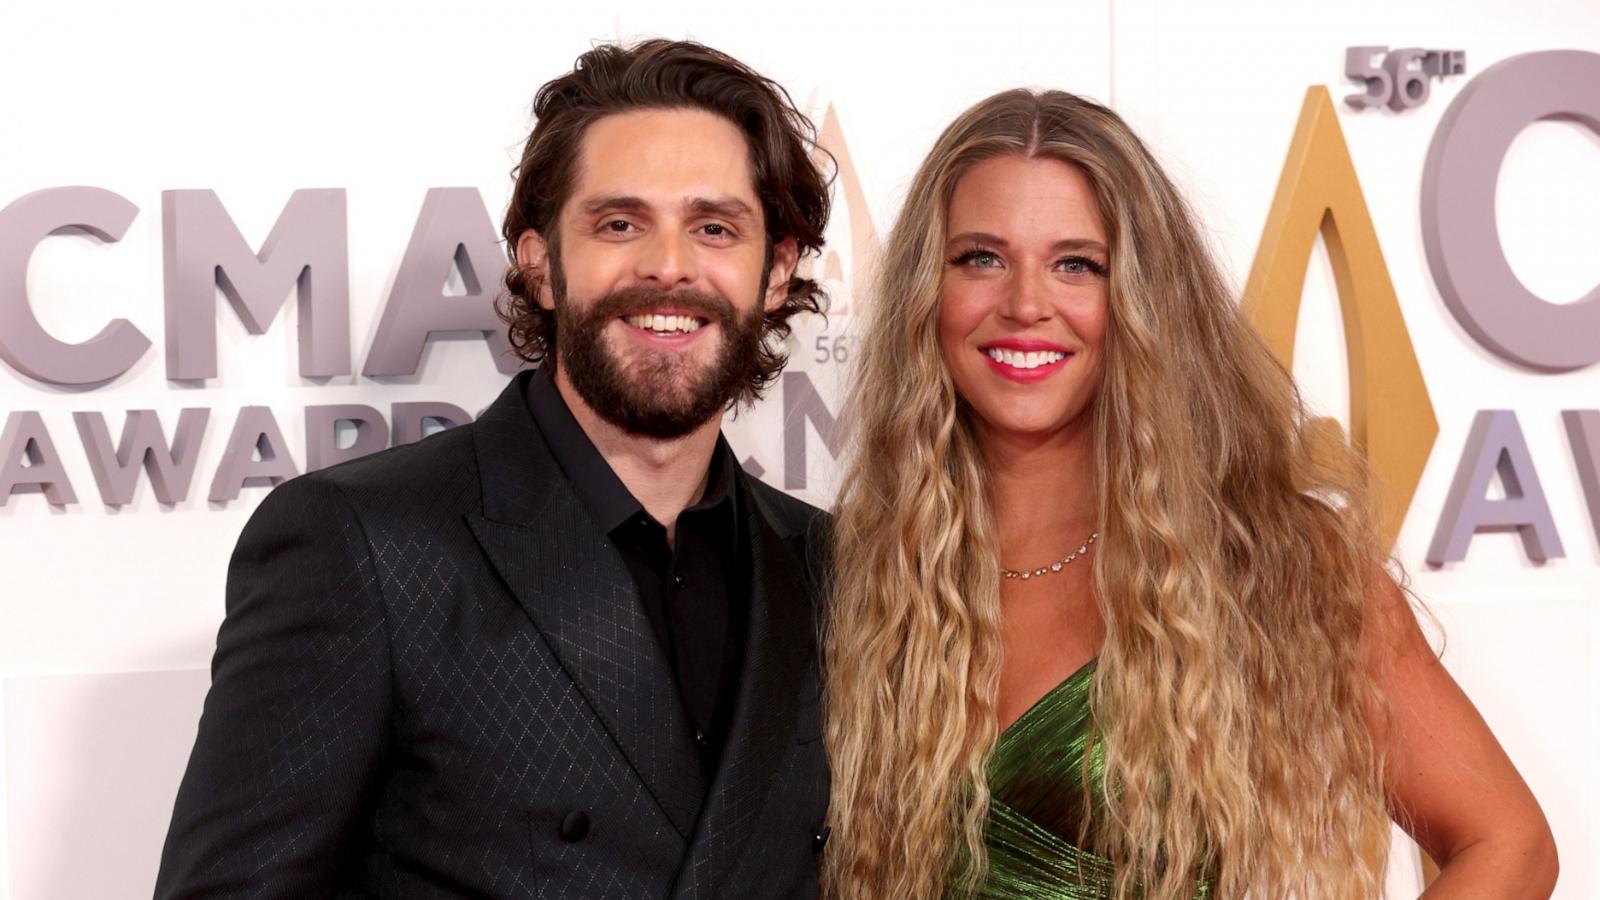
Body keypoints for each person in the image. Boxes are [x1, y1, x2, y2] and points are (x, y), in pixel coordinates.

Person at [821, 90, 1557, 900]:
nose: (1026, 304)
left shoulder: (1272, 561)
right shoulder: (857, 569)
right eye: (981, 259)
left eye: (1077, 264)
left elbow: (1508, 844)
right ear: (928, 293)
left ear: (1142, 298)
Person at [156, 40, 834, 899]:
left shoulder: (828, 567)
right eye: (619, 223)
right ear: (540, 264)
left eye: (714, 228)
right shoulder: (364, 547)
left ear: (775, 272)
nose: (670, 264)